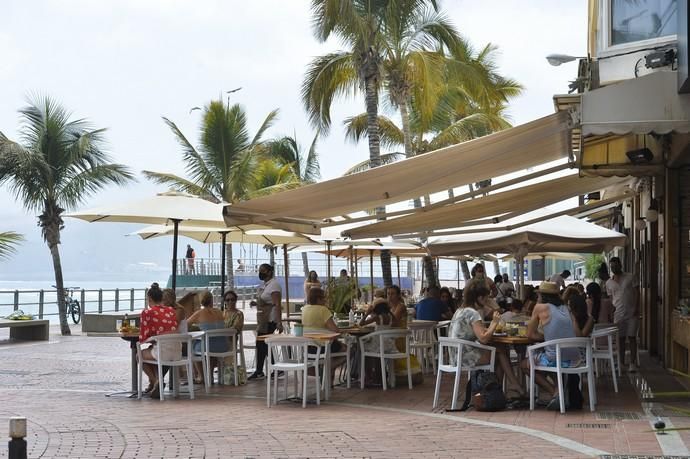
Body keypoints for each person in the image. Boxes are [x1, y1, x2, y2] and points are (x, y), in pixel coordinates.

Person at [449, 283, 525, 398]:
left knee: (500, 351)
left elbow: (477, 331)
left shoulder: (461, 310)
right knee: (501, 351)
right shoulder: (473, 313)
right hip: (465, 357)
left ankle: (497, 392)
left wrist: (489, 328)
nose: (487, 301)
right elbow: (484, 339)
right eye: (486, 298)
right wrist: (494, 322)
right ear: (479, 298)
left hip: (456, 354)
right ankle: (506, 387)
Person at [520, 281, 582, 410]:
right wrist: (550, 337)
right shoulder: (566, 308)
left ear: (542, 295)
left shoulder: (540, 307)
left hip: (556, 358)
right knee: (550, 353)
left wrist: (546, 338)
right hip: (575, 358)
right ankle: (560, 389)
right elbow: (572, 332)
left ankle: (555, 392)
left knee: (524, 364)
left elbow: (530, 334)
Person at [139, 282, 178, 398]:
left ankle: (156, 381)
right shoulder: (171, 311)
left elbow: (144, 337)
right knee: (153, 351)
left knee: (139, 355)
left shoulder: (148, 312)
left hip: (163, 351)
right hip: (177, 351)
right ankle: (155, 383)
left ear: (149, 298)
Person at [249, 263, 283, 380]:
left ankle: (262, 370)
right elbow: (265, 301)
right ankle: (273, 368)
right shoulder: (266, 285)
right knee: (263, 344)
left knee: (261, 343)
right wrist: (255, 303)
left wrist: (279, 322)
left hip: (270, 319)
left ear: (269, 272)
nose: (260, 272)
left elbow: (277, 304)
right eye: (259, 270)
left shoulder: (274, 285)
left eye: (262, 270)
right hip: (264, 319)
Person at [606, 256, 639, 372]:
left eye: (616, 265)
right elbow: (610, 299)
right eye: (612, 266)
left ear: (620, 265)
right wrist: (611, 312)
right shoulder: (609, 283)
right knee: (620, 339)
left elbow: (637, 293)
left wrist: (637, 307)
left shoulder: (630, 277)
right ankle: (621, 362)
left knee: (632, 337)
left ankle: (632, 363)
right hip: (618, 314)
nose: (614, 268)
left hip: (631, 312)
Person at [188, 291, 227, 384]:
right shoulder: (219, 312)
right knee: (210, 345)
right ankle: (210, 375)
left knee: (192, 347)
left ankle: (202, 376)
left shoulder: (199, 313)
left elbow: (185, 324)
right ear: (212, 300)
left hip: (208, 346)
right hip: (223, 346)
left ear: (201, 301)